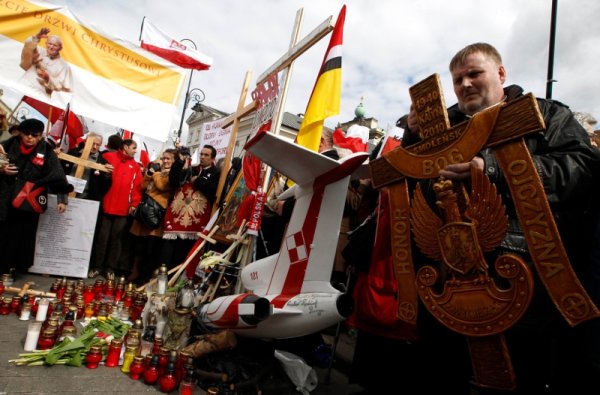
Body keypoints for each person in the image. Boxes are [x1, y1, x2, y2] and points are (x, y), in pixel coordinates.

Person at [386, 42, 600, 394]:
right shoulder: (443, 127)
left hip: (528, 281)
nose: (465, 84)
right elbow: (406, 187)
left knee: (522, 376)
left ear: (500, 74)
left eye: (474, 74)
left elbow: (582, 169)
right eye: (458, 80)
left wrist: (493, 169)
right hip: (448, 282)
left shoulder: (544, 114)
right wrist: (413, 136)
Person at [0, 118, 73, 274]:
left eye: (35, 135)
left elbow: (57, 175)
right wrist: (2, 169)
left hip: (29, 198)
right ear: (20, 133)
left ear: (40, 136)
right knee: (4, 232)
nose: (30, 138)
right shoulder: (7, 145)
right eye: (26, 134)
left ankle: (18, 267)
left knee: (24, 234)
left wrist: (62, 199)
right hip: (6, 196)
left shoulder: (46, 150)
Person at [90, 139, 142, 278]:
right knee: (102, 238)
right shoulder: (108, 157)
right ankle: (96, 266)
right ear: (125, 147)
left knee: (116, 240)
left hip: (123, 209)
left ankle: (110, 269)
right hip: (106, 205)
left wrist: (134, 204)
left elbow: (137, 188)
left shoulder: (135, 166)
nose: (135, 150)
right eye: (134, 147)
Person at [161, 144, 219, 269]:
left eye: (206, 155)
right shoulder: (191, 168)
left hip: (197, 219)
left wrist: (198, 181)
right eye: (201, 154)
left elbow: (214, 191)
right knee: (169, 250)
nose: (202, 157)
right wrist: (180, 161)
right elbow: (174, 180)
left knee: (186, 252)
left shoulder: (217, 172)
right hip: (178, 216)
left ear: (213, 158)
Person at [128, 149, 176, 282]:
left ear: (173, 161)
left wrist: (156, 174)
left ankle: (146, 277)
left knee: (151, 248)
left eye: (168, 159)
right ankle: (135, 272)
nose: (165, 161)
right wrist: (149, 174)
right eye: (164, 158)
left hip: (156, 213)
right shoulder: (157, 171)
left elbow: (162, 186)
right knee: (139, 246)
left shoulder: (172, 174)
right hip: (145, 211)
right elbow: (142, 186)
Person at [20, 27, 73, 98]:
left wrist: (48, 78)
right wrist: (37, 36)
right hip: (23, 85)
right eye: (49, 44)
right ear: (46, 43)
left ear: (60, 48)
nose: (51, 47)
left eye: (55, 45)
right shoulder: (38, 50)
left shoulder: (64, 66)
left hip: (40, 95)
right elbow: (27, 46)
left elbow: (61, 86)